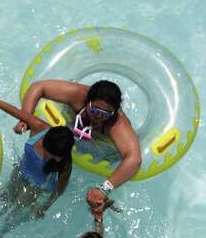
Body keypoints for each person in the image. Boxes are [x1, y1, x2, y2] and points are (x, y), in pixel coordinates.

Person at [15, 79, 141, 217]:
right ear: (88, 101)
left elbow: (134, 159)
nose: (98, 116)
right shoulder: (78, 95)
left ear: (114, 112)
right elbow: (38, 87)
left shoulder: (117, 124)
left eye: (105, 114)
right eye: (94, 110)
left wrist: (105, 188)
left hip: (100, 147)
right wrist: (25, 118)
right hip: (71, 132)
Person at [0, 91, 75, 217]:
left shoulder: (65, 162)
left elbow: (60, 188)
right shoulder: (39, 127)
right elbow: (16, 112)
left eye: (59, 157)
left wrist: (45, 207)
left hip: (37, 187)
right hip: (21, 170)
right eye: (52, 155)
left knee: (15, 211)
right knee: (5, 198)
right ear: (45, 142)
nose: (57, 160)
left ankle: (2, 233)